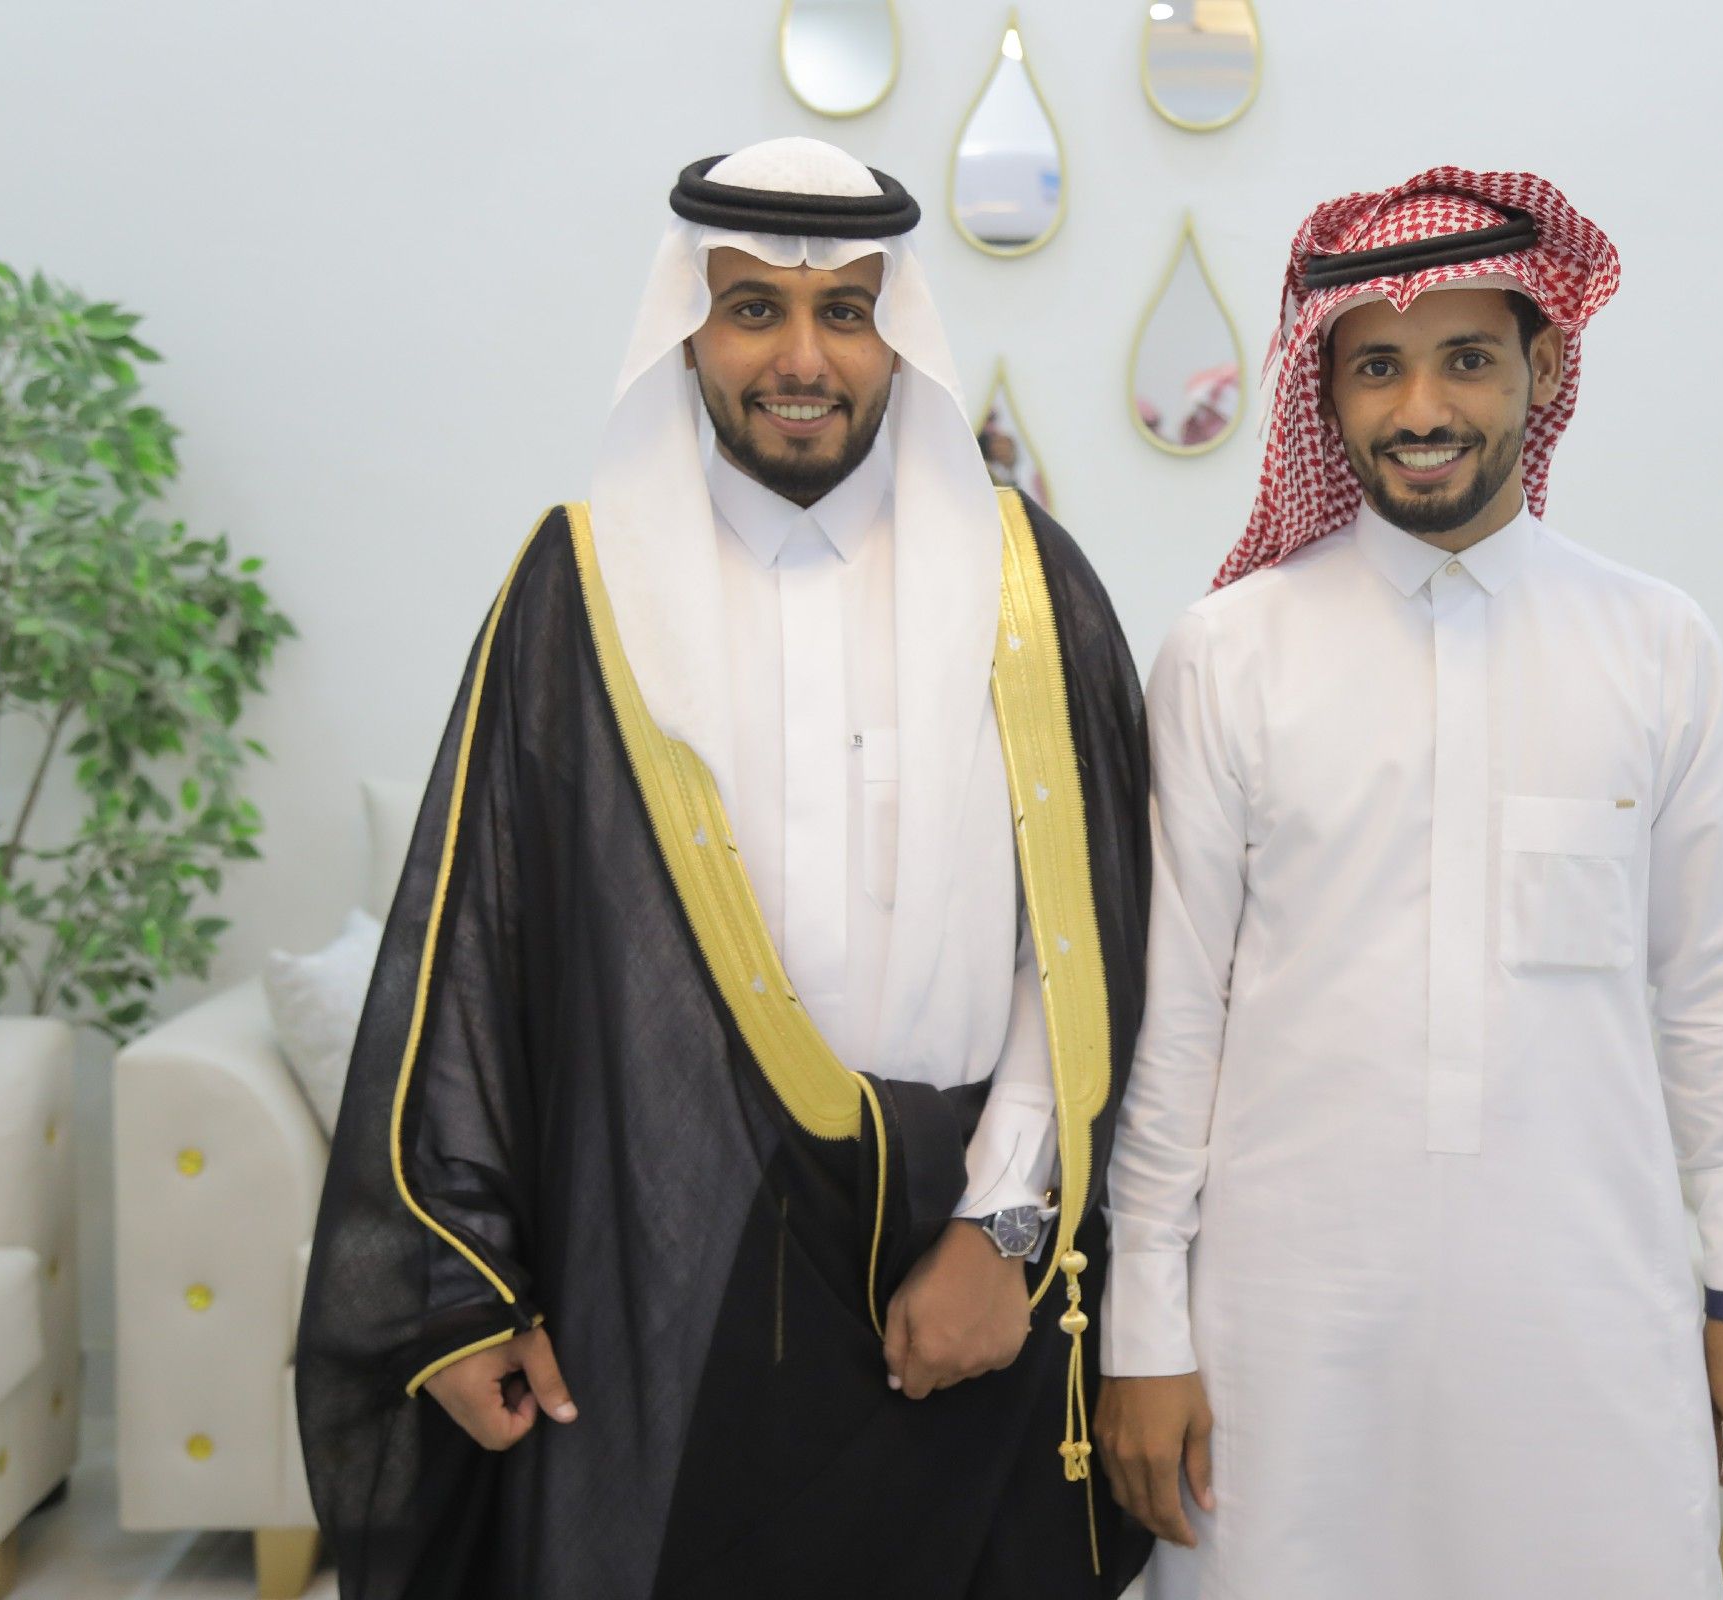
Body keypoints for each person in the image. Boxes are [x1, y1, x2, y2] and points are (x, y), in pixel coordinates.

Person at [295, 137, 1153, 1599]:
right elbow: (474, 952)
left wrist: (1004, 1230)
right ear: (687, 332)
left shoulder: (1025, 583)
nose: (802, 357)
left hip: (960, 1278)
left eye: (846, 311)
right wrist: (467, 1286)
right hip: (664, 1273)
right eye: (754, 308)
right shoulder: (580, 590)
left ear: (899, 335)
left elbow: (1082, 946)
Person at [1094, 167, 1723, 1598]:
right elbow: (1172, 1027)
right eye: (1378, 366)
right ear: (1327, 391)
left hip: (1587, 1321)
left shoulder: (1658, 646)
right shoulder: (1230, 654)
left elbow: (1721, 1000)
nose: (1421, 407)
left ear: (1542, 367)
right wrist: (1143, 1333)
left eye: (1467, 359)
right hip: (1286, 1335)